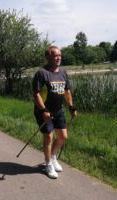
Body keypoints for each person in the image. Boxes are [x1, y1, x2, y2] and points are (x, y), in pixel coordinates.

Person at [32, 46, 77, 179]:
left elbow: (67, 91)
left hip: (58, 111)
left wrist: (71, 107)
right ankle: (48, 164)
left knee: (63, 136)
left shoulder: (63, 73)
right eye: (56, 56)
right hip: (44, 112)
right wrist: (43, 110)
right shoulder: (42, 73)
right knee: (49, 137)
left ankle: (52, 157)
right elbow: (36, 94)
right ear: (48, 57)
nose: (59, 58)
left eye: (60, 56)